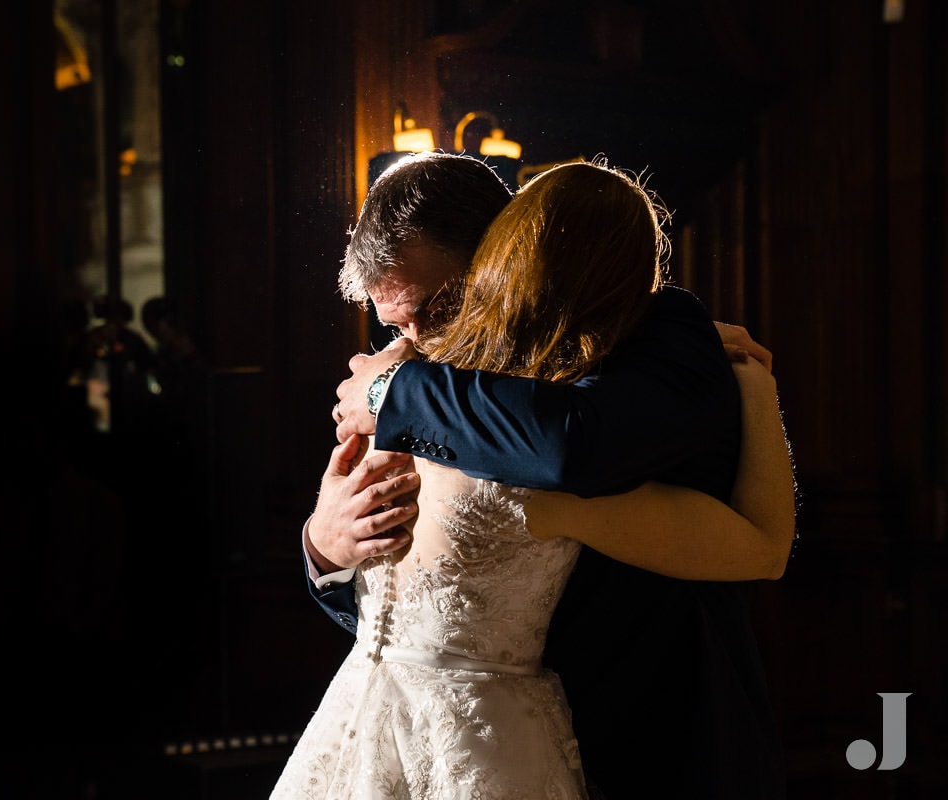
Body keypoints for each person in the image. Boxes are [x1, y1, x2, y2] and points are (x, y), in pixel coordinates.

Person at [302, 153, 792, 798]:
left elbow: (572, 451)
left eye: (435, 305)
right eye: (396, 324)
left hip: (646, 722)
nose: (416, 340)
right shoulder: (416, 390)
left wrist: (394, 392)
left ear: (506, 257)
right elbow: (402, 607)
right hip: (387, 727)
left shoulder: (655, 333)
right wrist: (326, 549)